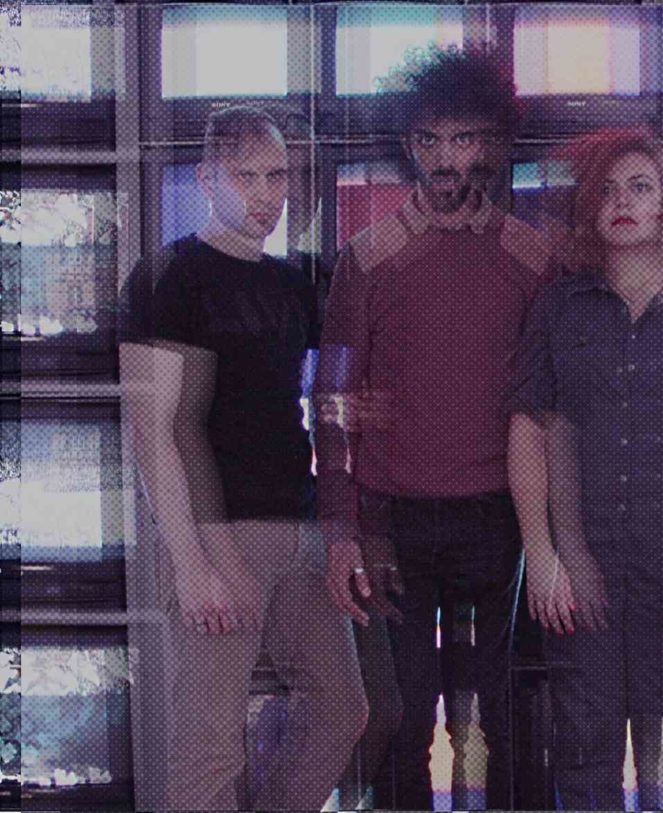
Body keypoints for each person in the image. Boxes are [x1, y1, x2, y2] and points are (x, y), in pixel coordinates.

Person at [315, 44, 559, 811]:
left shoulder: (532, 257)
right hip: (391, 519)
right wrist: (340, 528)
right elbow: (331, 397)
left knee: (493, 716)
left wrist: (553, 534)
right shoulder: (366, 257)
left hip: (496, 517)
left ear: (495, 141)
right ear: (408, 145)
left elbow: (550, 405)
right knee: (401, 717)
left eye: (464, 138)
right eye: (430, 139)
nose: (447, 157)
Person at [118, 105, 367, 811]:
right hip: (217, 532)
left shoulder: (293, 284)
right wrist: (193, 561)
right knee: (209, 748)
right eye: (245, 176)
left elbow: (335, 395)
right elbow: (154, 430)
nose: (265, 193)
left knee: (343, 711)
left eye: (277, 176)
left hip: (299, 529)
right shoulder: (171, 276)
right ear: (207, 179)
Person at [507, 129, 663, 810]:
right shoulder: (558, 306)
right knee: (586, 756)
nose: (622, 201)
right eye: (607, 190)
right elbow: (528, 430)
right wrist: (541, 554)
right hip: (581, 569)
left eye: (640, 187)